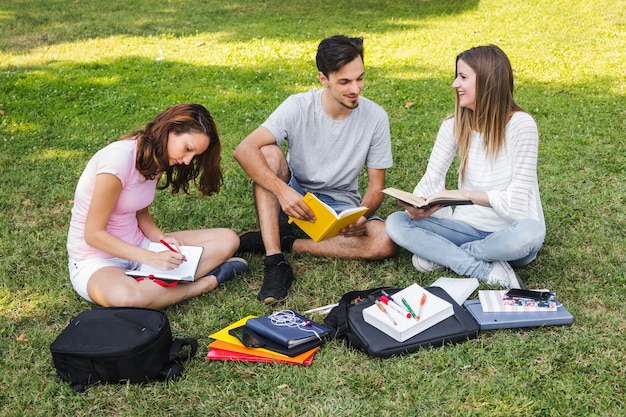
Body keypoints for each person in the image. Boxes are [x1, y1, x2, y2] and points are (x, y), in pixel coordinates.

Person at [233, 35, 397, 304]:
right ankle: (275, 260)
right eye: (344, 82)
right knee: (268, 153)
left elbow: (376, 186)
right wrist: (283, 192)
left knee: (385, 242)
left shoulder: (376, 117)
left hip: (341, 207)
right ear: (324, 79)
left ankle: (287, 243)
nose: (355, 88)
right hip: (295, 198)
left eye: (360, 78)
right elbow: (244, 150)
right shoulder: (299, 105)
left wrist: (363, 215)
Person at [385, 45, 545, 289]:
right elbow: (432, 178)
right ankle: (480, 267)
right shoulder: (453, 125)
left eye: (463, 77)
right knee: (396, 222)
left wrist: (468, 195)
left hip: (511, 233)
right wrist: (418, 206)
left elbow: (519, 203)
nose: (454, 84)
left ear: (488, 81)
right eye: (456, 76)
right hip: (466, 227)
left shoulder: (521, 125)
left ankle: (448, 254)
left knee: (531, 232)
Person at [67, 103, 247, 309]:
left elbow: (139, 210)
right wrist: (151, 257)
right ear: (169, 130)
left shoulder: (157, 158)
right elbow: (93, 235)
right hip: (97, 260)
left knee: (227, 240)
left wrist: (160, 238)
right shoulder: (116, 161)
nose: (188, 161)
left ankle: (153, 285)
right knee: (126, 298)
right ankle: (201, 284)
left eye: (194, 155)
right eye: (187, 149)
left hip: (140, 246)